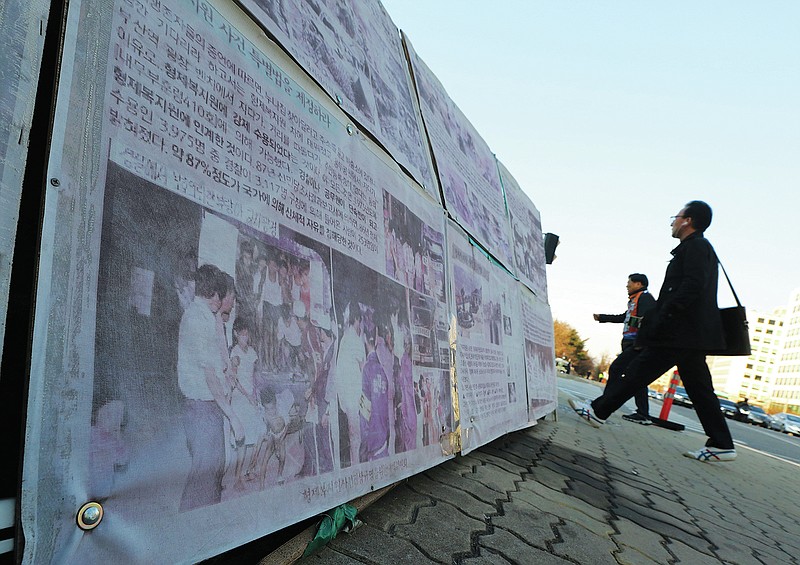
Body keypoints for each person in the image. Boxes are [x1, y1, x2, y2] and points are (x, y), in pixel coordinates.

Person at [569, 201, 736, 463]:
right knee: (699, 389)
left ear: (687, 221)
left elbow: (692, 286)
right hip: (689, 334)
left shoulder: (696, 247)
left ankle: (598, 412)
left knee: (639, 371)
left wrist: (665, 316)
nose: (672, 222)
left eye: (676, 217)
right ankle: (723, 443)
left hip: (680, 331)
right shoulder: (696, 248)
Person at [177, 264, 243, 510]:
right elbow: (210, 377)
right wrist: (232, 416)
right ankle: (193, 530)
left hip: (206, 409)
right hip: (202, 409)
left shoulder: (202, 316)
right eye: (224, 296)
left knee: (208, 475)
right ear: (215, 294)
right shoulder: (199, 320)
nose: (226, 303)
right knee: (203, 479)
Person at [593, 273, 656, 425]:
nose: (627, 285)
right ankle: (643, 413)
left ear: (639, 284)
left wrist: (641, 340)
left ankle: (603, 404)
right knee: (636, 376)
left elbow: (647, 319)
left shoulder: (645, 298)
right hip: (630, 341)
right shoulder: (634, 300)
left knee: (616, 369)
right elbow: (625, 317)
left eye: (630, 283)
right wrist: (603, 317)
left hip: (637, 343)